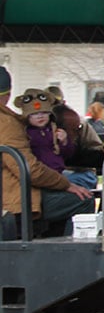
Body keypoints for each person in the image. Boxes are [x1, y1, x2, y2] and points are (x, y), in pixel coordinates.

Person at [0, 69, 95, 238]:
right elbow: (30, 170)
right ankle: (63, 257)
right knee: (83, 200)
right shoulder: (7, 123)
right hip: (13, 200)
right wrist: (66, 184)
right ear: (8, 94)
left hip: (9, 195)